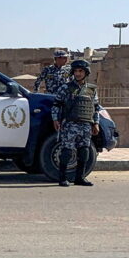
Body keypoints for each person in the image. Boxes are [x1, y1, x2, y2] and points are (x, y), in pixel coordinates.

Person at [51, 59, 100, 187]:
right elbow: (56, 104)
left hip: (85, 125)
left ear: (86, 72)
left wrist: (96, 123)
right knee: (67, 152)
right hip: (70, 125)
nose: (78, 74)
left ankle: (80, 178)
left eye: (81, 71)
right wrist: (55, 119)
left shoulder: (91, 90)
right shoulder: (66, 88)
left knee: (84, 152)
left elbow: (96, 108)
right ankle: (62, 178)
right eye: (76, 71)